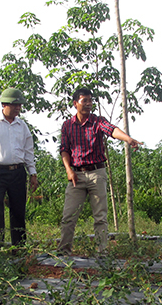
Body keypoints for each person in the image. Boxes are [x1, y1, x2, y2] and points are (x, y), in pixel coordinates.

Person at [58, 87, 143, 255]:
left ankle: (102, 252)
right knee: (69, 216)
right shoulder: (68, 125)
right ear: (75, 104)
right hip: (76, 174)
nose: (89, 104)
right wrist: (69, 170)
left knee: (100, 216)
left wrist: (128, 139)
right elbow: (64, 150)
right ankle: (63, 251)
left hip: (97, 173)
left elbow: (112, 130)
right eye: (85, 101)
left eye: (90, 101)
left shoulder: (97, 121)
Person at [0, 88, 39, 246]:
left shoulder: (22, 125)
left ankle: (19, 248)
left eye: (19, 105)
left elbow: (28, 151)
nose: (18, 107)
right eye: (14, 104)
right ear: (4, 104)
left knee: (18, 210)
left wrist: (32, 173)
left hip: (18, 172)